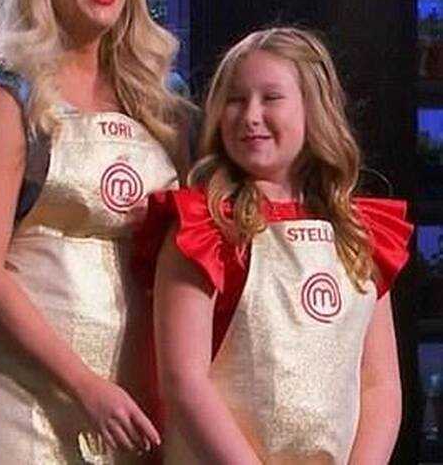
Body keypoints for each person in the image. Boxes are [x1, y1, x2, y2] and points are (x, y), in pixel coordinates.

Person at [0, 0, 191, 463]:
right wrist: (86, 387)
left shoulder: (163, 101)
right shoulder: (8, 96)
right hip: (26, 405)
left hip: (134, 409)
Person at [143, 27, 411, 463]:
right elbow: (184, 382)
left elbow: (379, 382)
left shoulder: (360, 232)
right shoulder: (202, 225)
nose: (250, 115)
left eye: (270, 98)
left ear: (314, 109)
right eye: (235, 100)